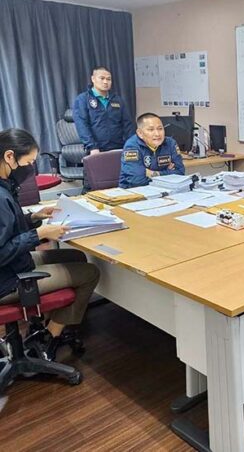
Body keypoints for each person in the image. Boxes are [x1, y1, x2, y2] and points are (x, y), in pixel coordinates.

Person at [0, 129, 100, 361]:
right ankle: (49, 336)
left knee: (76, 256)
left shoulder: (4, 185)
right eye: (28, 162)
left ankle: (48, 323)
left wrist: (34, 217)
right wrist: (39, 233)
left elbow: (8, 227)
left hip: (12, 265)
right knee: (90, 273)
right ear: (9, 156)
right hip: (8, 280)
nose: (30, 168)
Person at [72, 66, 134, 155]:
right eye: (102, 78)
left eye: (108, 79)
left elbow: (128, 125)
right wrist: (92, 147)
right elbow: (82, 125)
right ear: (93, 79)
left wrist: (131, 145)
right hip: (96, 150)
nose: (105, 82)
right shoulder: (83, 99)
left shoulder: (117, 100)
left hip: (119, 148)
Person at [119, 113, 185, 189]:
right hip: (134, 191)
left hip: (163, 189)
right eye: (151, 130)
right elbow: (136, 180)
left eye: (160, 129)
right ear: (140, 133)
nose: (157, 134)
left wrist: (153, 173)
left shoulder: (170, 143)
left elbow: (180, 172)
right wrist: (167, 172)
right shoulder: (132, 146)